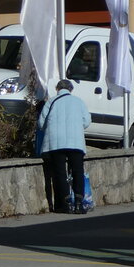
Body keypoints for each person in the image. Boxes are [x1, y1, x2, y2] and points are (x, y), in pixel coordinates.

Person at [38, 79, 92, 214]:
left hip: (56, 142)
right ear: (71, 89)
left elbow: (41, 123)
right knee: (77, 171)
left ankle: (65, 204)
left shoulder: (51, 102)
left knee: (60, 173)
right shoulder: (78, 102)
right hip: (76, 142)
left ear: (57, 88)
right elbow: (86, 122)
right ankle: (79, 203)